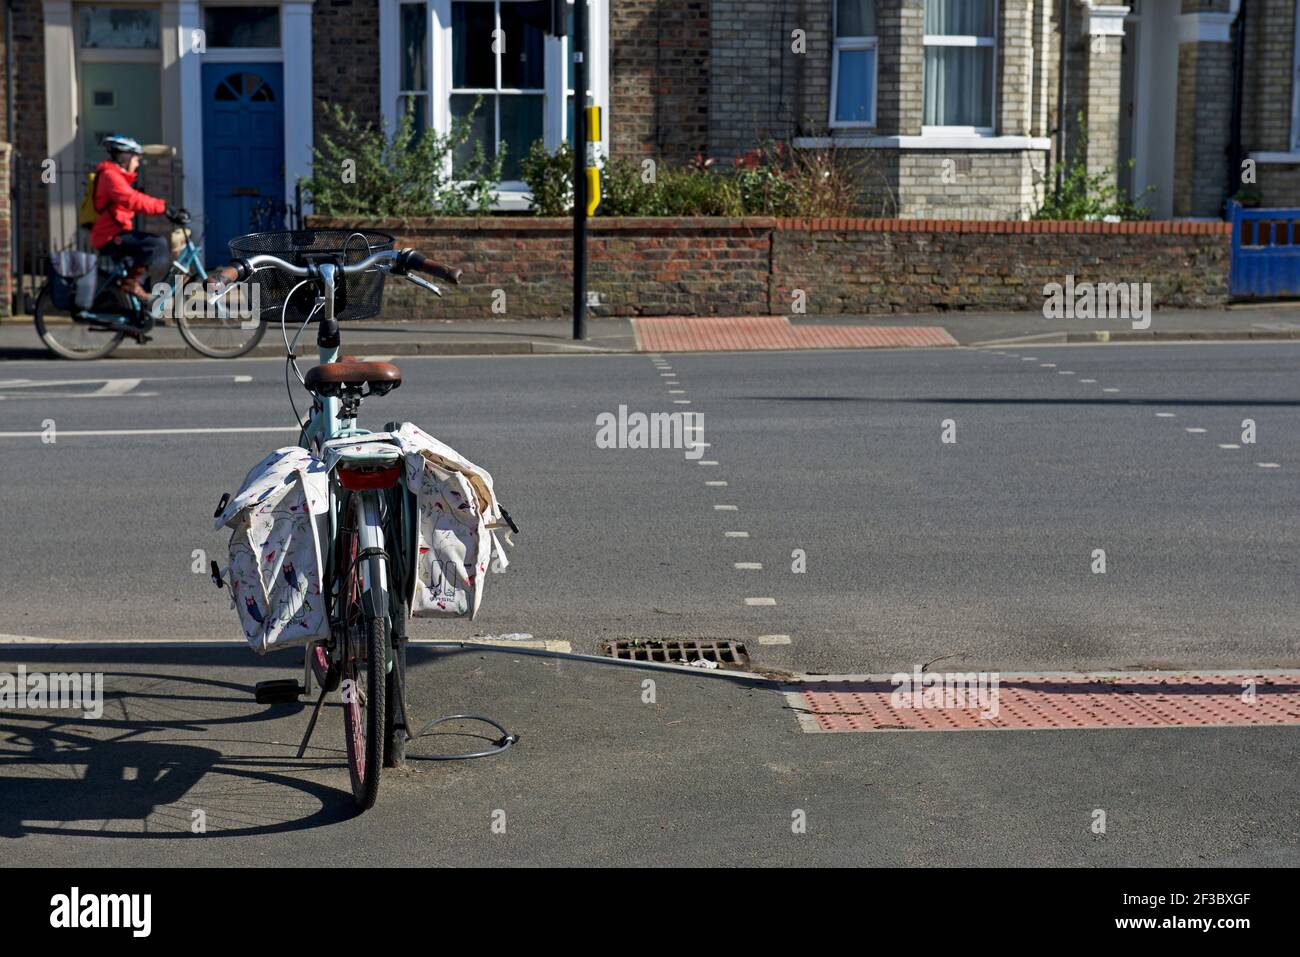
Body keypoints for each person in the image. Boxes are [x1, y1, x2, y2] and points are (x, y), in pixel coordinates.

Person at [88, 134, 188, 304]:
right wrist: (164, 208)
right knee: (155, 244)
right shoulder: (109, 176)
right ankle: (132, 284)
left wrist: (165, 208)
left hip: (117, 233)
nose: (138, 163)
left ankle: (135, 322)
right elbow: (131, 199)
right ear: (124, 156)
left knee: (142, 269)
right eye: (136, 158)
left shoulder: (116, 176)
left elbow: (134, 198)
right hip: (109, 236)